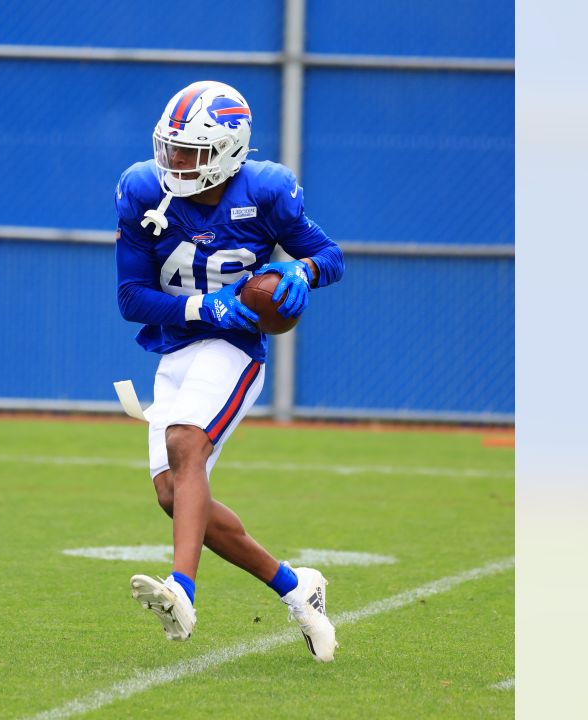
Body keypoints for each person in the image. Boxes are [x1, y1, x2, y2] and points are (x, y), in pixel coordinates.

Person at [113, 80, 345, 662]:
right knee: (173, 494)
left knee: (185, 443)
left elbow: (330, 255)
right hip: (176, 349)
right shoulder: (143, 191)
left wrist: (302, 274)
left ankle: (182, 590)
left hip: (235, 347)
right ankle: (299, 589)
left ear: (227, 152)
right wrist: (203, 305)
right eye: (170, 147)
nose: (174, 162)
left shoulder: (266, 190)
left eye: (190, 152)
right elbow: (130, 299)